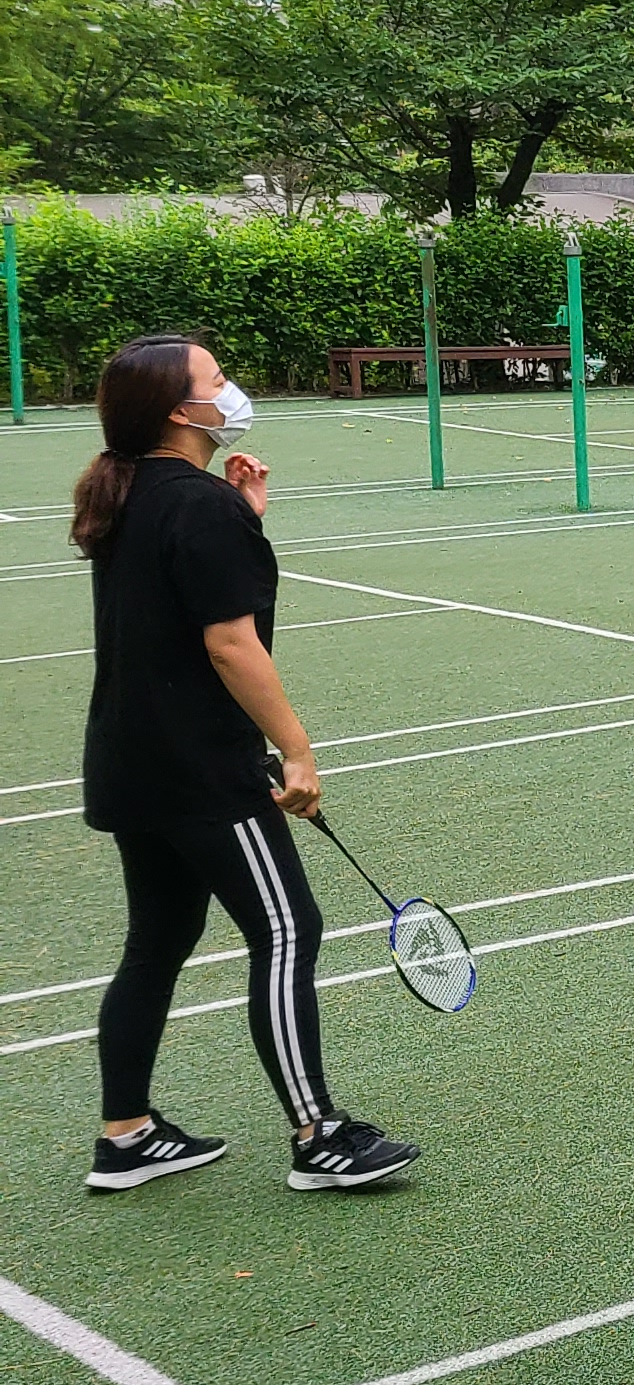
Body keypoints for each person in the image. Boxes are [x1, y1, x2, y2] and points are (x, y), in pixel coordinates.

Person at [75, 333, 421, 1194]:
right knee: (288, 928)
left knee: (159, 939)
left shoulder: (130, 493)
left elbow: (176, 596)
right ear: (178, 410)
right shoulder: (198, 506)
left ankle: (126, 1135)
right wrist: (297, 750)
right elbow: (230, 644)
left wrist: (245, 520)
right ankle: (319, 1135)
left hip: (131, 762)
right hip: (200, 769)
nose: (229, 391)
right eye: (217, 379)